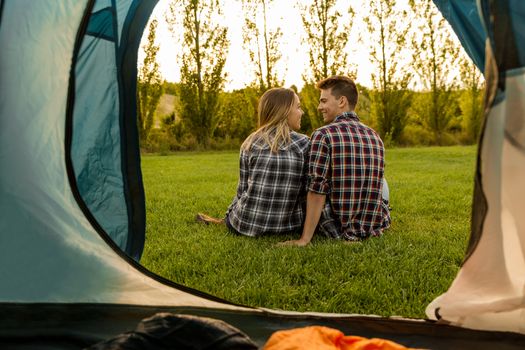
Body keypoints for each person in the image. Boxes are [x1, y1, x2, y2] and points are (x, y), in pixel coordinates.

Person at [279, 76, 391, 246]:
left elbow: (317, 188)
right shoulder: (375, 136)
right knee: (383, 183)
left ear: (342, 101)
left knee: (306, 179)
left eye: (324, 101)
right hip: (373, 225)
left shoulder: (323, 135)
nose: (319, 107)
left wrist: (304, 239)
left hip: (336, 228)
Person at [196, 87, 310, 237]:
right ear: (285, 110)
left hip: (244, 225)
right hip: (288, 226)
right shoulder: (305, 144)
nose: (302, 112)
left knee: (239, 206)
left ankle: (222, 221)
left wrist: (229, 215)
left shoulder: (250, 142)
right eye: (298, 107)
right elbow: (311, 192)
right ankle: (223, 221)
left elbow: (242, 190)